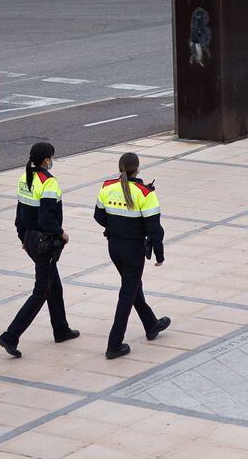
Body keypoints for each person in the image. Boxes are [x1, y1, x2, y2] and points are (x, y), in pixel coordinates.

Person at [0, 142, 78, 358]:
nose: (53, 161)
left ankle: (61, 329)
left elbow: (20, 213)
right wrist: (61, 233)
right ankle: (10, 335)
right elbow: (47, 218)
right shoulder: (48, 183)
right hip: (44, 243)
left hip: (31, 240)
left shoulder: (25, 178)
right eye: (52, 157)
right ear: (45, 160)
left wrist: (23, 238)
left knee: (54, 286)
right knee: (41, 291)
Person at [95, 153, 170, 360]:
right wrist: (159, 255)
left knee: (133, 286)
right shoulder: (145, 193)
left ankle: (151, 325)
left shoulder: (107, 186)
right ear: (137, 169)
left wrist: (117, 228)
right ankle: (114, 345)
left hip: (114, 247)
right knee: (127, 294)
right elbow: (154, 229)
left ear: (119, 167)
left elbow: (99, 217)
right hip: (133, 250)